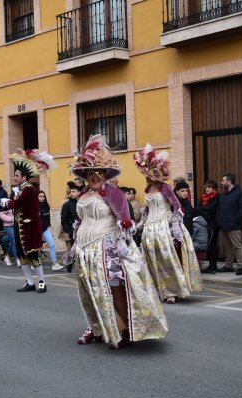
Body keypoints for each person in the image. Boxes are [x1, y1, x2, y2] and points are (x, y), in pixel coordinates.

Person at [70, 136, 167, 349]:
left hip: (106, 246)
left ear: (105, 174)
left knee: (113, 288)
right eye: (90, 173)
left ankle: (123, 330)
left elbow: (125, 219)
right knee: (88, 289)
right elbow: (80, 221)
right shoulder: (84, 194)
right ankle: (96, 326)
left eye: (99, 173)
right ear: (85, 175)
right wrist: (74, 243)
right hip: (85, 250)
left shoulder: (112, 192)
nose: (95, 177)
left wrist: (122, 241)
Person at [134, 144, 202, 304]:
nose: (145, 175)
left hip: (164, 227)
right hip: (150, 229)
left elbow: (177, 206)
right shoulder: (148, 189)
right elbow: (147, 209)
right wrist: (141, 223)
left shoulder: (165, 188)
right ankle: (158, 289)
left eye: (147, 173)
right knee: (151, 260)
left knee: (166, 259)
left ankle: (172, 290)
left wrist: (175, 225)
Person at [1, 148, 56, 293]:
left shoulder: (30, 189)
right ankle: (30, 282)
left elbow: (15, 204)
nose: (15, 178)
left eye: (17, 175)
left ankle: (42, 282)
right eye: (15, 175)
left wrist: (5, 203)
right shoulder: (18, 189)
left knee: (33, 254)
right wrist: (6, 203)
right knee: (22, 255)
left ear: (24, 177)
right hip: (19, 227)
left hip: (30, 227)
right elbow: (14, 203)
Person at [217, 173, 242, 275]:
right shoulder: (223, 195)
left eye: (223, 180)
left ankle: (240, 267)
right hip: (224, 225)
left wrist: (235, 219)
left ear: (229, 182)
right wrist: (219, 221)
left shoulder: (239, 193)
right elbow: (220, 209)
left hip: (234, 226)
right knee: (227, 247)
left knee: (237, 246)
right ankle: (228, 265)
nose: (222, 183)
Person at [196, 180, 220, 274]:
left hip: (213, 225)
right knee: (207, 246)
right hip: (204, 224)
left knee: (212, 245)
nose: (207, 189)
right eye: (206, 187)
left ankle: (213, 266)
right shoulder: (203, 197)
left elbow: (211, 208)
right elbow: (198, 207)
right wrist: (204, 209)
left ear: (214, 189)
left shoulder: (217, 197)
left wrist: (203, 209)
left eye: (209, 187)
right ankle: (210, 265)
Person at [38, 191, 63, 271]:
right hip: (37, 230)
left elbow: (48, 218)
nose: (42, 198)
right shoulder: (34, 207)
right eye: (40, 196)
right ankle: (35, 263)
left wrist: (49, 227)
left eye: (43, 196)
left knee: (51, 245)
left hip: (45, 229)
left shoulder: (46, 206)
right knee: (37, 247)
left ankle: (54, 264)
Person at [60, 184, 80, 272]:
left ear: (78, 193)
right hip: (72, 230)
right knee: (72, 248)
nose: (71, 193)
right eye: (71, 191)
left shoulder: (82, 203)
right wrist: (67, 229)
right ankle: (69, 265)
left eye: (74, 191)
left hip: (82, 229)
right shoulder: (67, 204)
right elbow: (63, 218)